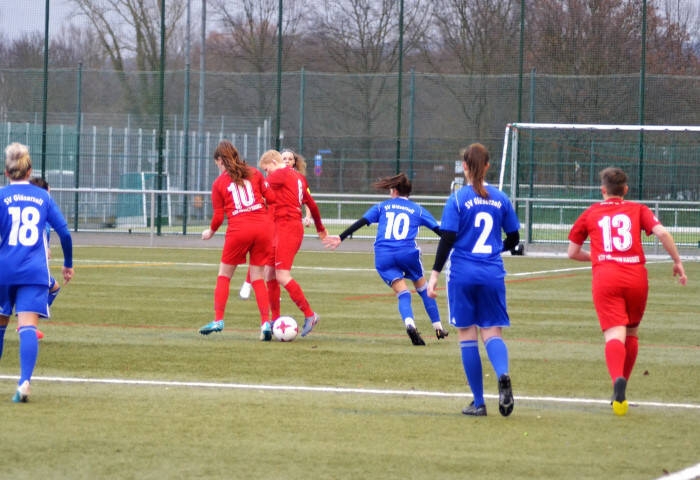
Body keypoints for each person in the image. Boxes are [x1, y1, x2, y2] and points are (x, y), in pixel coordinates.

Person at [567, 166, 687, 416]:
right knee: (631, 332)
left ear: (603, 190)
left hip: (606, 277)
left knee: (614, 334)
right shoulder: (638, 209)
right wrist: (677, 261)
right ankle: (622, 389)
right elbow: (662, 233)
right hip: (636, 277)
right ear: (626, 190)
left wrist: (598, 257)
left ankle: (617, 381)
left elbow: (572, 252)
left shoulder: (591, 213)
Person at [427, 143, 520, 417]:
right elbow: (514, 238)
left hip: (462, 273)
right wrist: (496, 249)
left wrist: (434, 275)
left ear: (465, 167)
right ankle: (502, 374)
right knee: (491, 331)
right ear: (488, 166)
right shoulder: (501, 198)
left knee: (467, 334)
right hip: (492, 272)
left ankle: (479, 402)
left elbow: (447, 239)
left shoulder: (457, 199)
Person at [323, 173, 448, 345]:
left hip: (383, 255)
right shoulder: (418, 209)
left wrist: (341, 237)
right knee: (422, 288)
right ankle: (438, 327)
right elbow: (440, 232)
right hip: (407, 253)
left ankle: (410, 324)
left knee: (403, 293)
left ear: (394, 191)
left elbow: (362, 221)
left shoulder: (382, 206)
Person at [0, 142, 74, 402]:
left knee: (1, 323)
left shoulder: (1, 196)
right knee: (28, 327)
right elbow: (64, 232)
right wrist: (68, 263)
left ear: (6, 172)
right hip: (34, 271)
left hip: (4, 270)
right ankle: (24, 383)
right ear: (29, 171)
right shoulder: (43, 197)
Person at [197, 140, 275, 340]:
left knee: (224, 275)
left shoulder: (219, 184)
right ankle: (265, 323)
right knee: (257, 277)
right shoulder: (254, 173)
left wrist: (211, 232)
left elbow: (218, 217)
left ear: (220, 161)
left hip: (239, 230)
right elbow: (272, 198)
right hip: (263, 228)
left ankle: (218, 320)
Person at [258, 149, 327, 339]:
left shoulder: (280, 174)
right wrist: (320, 228)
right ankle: (275, 319)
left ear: (273, 162)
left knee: (281, 275)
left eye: (266, 169)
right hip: (282, 227)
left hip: (288, 227)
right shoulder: (298, 177)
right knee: (269, 273)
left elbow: (259, 188)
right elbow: (312, 204)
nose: (267, 173)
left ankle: (310, 314)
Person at [238, 148, 312, 300]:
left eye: (290, 159)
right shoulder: (274, 175)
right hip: (271, 218)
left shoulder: (297, 178)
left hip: (284, 223)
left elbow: (307, 199)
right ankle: (248, 283)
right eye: (284, 158)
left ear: (294, 162)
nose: (287, 161)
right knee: (264, 253)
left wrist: (308, 216)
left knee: (274, 262)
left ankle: (270, 290)